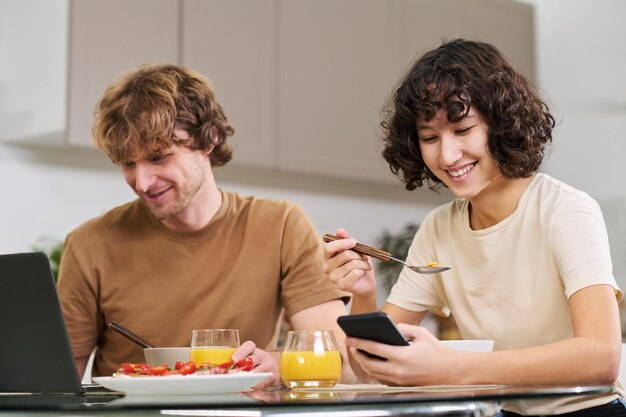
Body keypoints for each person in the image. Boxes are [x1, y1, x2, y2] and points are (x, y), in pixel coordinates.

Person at [323, 39, 626, 416]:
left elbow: (601, 357)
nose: (447, 155)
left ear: (501, 124)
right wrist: (364, 296)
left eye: (463, 130)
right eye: (430, 137)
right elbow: (369, 371)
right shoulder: (439, 228)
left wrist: (450, 366)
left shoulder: (565, 210)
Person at [56, 64, 354, 387]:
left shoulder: (280, 226)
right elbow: (50, 384)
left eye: (158, 157)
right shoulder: (89, 244)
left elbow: (336, 359)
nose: (141, 182)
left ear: (208, 140)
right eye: (128, 163)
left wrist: (277, 366)